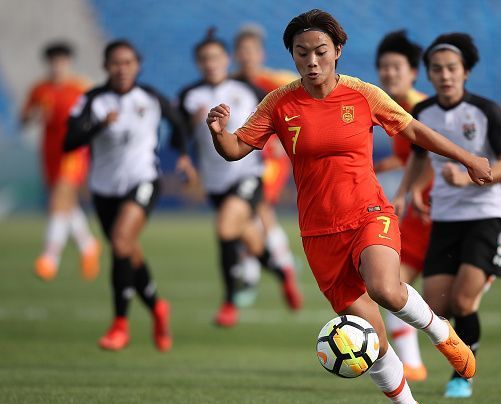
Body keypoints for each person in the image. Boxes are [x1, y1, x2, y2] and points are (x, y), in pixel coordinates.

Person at [207, 10, 493, 404]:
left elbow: (415, 130)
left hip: (368, 214)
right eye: (302, 53)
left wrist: (468, 159)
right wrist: (217, 131)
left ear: (337, 51)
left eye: (321, 51)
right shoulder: (279, 103)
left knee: (384, 287)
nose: (312, 61)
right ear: (293, 56)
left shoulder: (362, 95)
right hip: (319, 233)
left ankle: (443, 335)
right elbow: (234, 149)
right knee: (371, 339)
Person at [394, 33, 501, 398]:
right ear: (428, 76)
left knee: (464, 302)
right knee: (435, 307)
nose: (445, 75)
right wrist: (407, 192)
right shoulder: (423, 113)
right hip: (445, 217)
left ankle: (462, 375)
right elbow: (418, 158)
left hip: (487, 212)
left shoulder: (486, 111)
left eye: (452, 68)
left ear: (465, 72)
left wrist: (468, 178)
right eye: (437, 69)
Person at [64, 40, 197, 352]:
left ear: (137, 65)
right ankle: (158, 308)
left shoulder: (149, 97)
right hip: (104, 189)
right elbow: (69, 142)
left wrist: (181, 155)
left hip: (143, 180)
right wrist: (98, 125)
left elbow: (178, 123)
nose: (121, 69)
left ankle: (119, 325)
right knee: (129, 253)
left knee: (121, 243)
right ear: (105, 66)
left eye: (127, 63)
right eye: (115, 63)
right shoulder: (92, 100)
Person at [178, 29, 301, 328]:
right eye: (204, 59)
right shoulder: (189, 96)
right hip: (214, 181)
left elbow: (282, 116)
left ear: (226, 59)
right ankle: (281, 271)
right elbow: (178, 135)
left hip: (248, 174)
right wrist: (184, 157)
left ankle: (229, 302)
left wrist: (283, 143)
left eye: (216, 57)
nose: (210, 63)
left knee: (225, 229)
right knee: (251, 242)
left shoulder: (250, 90)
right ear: (198, 62)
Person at [373, 30, 430, 382]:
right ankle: (413, 364)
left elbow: (437, 156)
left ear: (413, 72)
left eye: (397, 67)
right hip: (418, 210)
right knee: (391, 284)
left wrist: (413, 190)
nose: (389, 74)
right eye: (383, 67)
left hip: (444, 208)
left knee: (455, 297)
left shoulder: (423, 108)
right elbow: (414, 156)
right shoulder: (389, 108)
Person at [21, 42, 100, 282]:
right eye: (53, 61)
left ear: (68, 62)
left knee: (58, 201)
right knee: (66, 203)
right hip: (49, 151)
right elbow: (24, 118)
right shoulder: (39, 89)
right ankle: (88, 245)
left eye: (61, 60)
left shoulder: (81, 86)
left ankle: (50, 257)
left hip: (74, 151)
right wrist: (34, 115)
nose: (57, 66)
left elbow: (97, 114)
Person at [233, 25, 299, 302]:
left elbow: (303, 104)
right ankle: (281, 264)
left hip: (270, 161)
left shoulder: (277, 82)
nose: (247, 56)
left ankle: (251, 275)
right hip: (240, 161)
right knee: (249, 216)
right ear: (236, 54)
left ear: (260, 53)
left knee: (254, 210)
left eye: (252, 50)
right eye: (242, 51)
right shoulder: (230, 84)